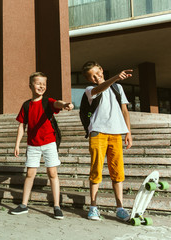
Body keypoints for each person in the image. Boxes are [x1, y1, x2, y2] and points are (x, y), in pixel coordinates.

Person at [11, 72, 74, 219]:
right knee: (30, 174)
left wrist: (65, 104)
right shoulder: (26, 105)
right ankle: (24, 205)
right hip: (32, 145)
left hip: (49, 143)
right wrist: (17, 144)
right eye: (38, 83)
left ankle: (57, 206)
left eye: (44, 84)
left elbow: (57, 103)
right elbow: (22, 125)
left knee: (52, 174)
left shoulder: (47, 101)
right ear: (30, 85)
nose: (41, 86)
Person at [82, 61, 133, 221]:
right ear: (90, 79)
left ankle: (120, 208)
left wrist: (128, 132)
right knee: (96, 170)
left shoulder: (118, 88)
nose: (96, 77)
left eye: (98, 73)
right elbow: (99, 88)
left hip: (116, 133)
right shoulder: (90, 90)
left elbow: (124, 110)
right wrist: (116, 77)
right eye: (92, 76)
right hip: (98, 132)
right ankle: (93, 207)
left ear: (102, 70)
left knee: (117, 172)